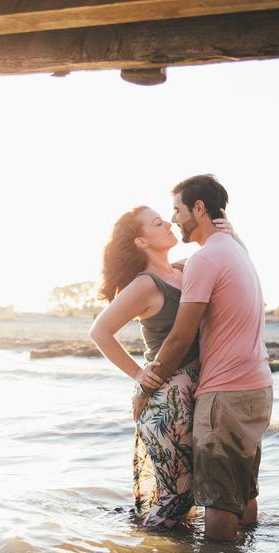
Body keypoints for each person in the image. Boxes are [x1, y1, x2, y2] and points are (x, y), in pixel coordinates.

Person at [136, 175, 273, 542]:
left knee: (217, 501)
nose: (174, 219)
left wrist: (146, 384)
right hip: (258, 387)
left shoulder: (206, 259)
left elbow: (180, 336)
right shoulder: (236, 252)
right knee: (243, 493)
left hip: (224, 394)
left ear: (199, 208)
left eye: (178, 210)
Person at [88, 205, 240, 529]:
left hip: (196, 393)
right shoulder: (146, 285)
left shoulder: (186, 270)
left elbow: (232, 264)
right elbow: (99, 332)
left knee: (187, 498)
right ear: (142, 243)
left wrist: (230, 234)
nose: (169, 224)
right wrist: (139, 374)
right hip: (166, 401)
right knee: (175, 501)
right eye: (157, 223)